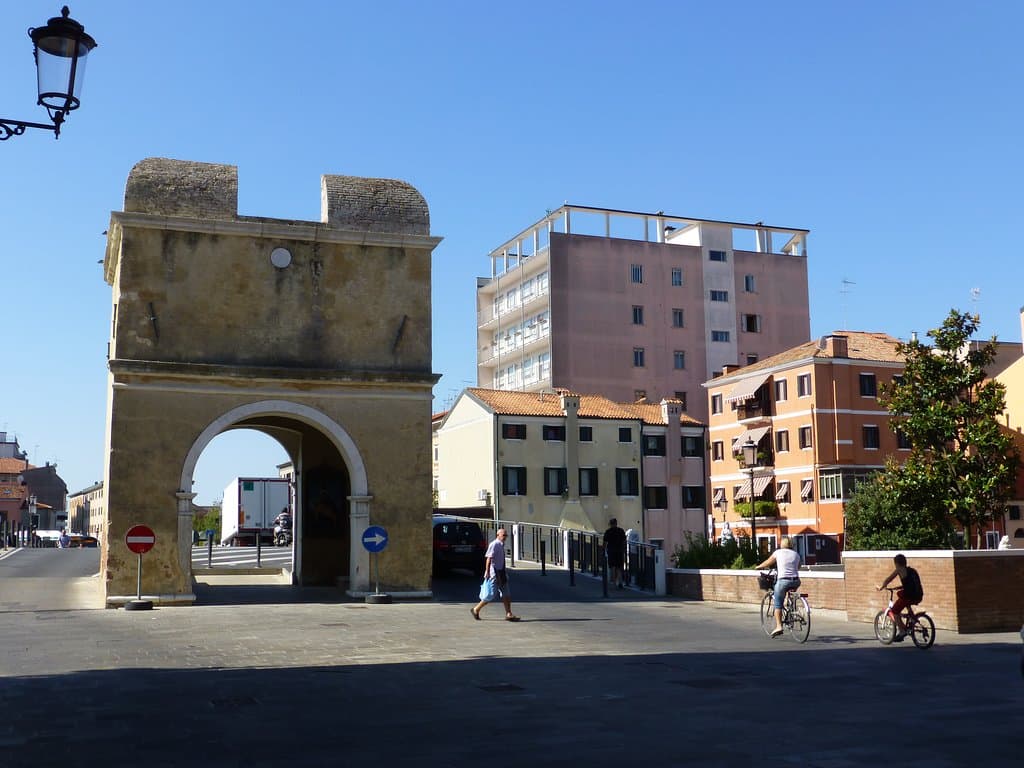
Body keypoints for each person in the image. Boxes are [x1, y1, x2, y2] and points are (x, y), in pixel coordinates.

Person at [754, 536, 802, 638]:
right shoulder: (796, 554)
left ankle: (779, 626)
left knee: (778, 604)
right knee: (789, 592)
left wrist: (758, 567)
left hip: (783, 581)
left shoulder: (778, 553)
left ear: (782, 544)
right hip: (796, 581)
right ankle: (791, 608)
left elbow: (768, 562)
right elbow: (798, 566)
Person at [471, 528, 519, 621]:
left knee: (506, 593)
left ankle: (509, 613)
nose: (505, 537)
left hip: (502, 573)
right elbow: (489, 559)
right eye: (503, 535)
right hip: (495, 574)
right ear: (498, 535)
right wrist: (487, 572)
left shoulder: (501, 545)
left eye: (506, 535)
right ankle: (476, 609)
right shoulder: (494, 544)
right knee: (490, 594)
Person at [877, 553, 924, 642]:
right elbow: (910, 584)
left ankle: (902, 631)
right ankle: (911, 615)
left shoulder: (899, 570)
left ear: (897, 563)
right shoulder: (912, 570)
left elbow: (888, 579)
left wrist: (881, 587)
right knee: (901, 595)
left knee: (895, 611)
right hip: (918, 595)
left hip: (909, 596)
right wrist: (901, 587)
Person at [603, 518, 627, 588]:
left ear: (610, 524)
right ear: (616, 523)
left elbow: (605, 543)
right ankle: (620, 582)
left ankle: (614, 583)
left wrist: (603, 551)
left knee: (612, 567)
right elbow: (624, 541)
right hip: (620, 551)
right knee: (619, 567)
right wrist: (624, 550)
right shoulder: (621, 531)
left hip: (611, 551)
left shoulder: (608, 531)